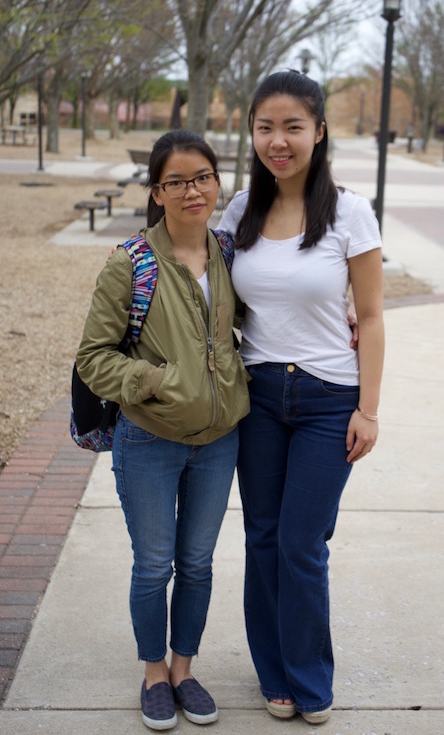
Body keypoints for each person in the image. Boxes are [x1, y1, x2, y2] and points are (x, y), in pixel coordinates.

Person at [218, 70, 384, 724]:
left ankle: (312, 679)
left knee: (301, 542)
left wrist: (368, 409)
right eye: (265, 127)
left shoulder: (349, 211)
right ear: (251, 131)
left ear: (319, 131)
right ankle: (275, 676)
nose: (277, 141)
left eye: (293, 127)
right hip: (256, 394)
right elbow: (210, 297)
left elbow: (369, 316)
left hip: (327, 400)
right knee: (262, 537)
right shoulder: (239, 211)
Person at [76, 129, 250, 731]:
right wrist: (156, 381)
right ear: (158, 191)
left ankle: (184, 667)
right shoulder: (132, 263)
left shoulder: (229, 252)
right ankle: (153, 673)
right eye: (176, 181)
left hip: (219, 440)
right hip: (148, 439)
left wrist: (348, 310)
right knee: (154, 566)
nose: (192, 190)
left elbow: (268, 314)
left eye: (202, 177)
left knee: (197, 564)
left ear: (217, 182)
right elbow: (93, 357)